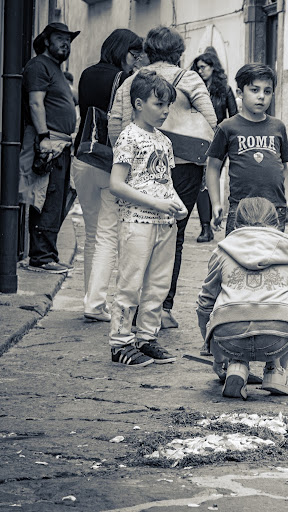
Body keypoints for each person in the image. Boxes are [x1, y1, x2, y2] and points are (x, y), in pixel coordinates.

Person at [109, 26, 217, 329]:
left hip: (138, 168)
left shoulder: (133, 80)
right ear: (178, 52)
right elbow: (211, 123)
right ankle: (162, 309)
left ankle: (137, 313)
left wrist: (125, 158)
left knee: (136, 240)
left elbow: (115, 121)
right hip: (184, 166)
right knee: (174, 236)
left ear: (148, 51)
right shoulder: (190, 78)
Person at [196, 197, 288, 400]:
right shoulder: (287, 252)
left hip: (229, 337)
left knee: (223, 303)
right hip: (278, 337)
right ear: (276, 222)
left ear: (236, 223)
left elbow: (205, 303)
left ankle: (236, 366)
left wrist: (215, 353)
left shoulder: (222, 252)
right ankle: (275, 370)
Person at [108, 70, 187, 367]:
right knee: (130, 283)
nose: (165, 110)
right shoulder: (128, 136)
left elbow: (165, 181)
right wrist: (155, 202)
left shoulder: (165, 142)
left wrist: (178, 205)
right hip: (136, 222)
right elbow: (117, 184)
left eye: (168, 105)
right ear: (139, 104)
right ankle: (120, 342)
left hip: (165, 224)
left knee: (158, 284)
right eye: (159, 104)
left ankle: (147, 337)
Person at [74, 29, 145, 322]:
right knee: (106, 236)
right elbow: (124, 122)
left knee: (92, 234)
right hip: (109, 161)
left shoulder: (86, 73)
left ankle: (92, 299)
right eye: (132, 54)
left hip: (83, 157)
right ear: (121, 51)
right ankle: (95, 304)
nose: (134, 60)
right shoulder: (123, 80)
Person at [19, 22, 81, 274]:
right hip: (48, 142)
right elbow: (36, 104)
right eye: (59, 38)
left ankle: (48, 254)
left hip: (60, 144)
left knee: (57, 199)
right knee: (46, 199)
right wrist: (44, 137)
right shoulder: (38, 66)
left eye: (68, 40)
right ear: (46, 40)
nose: (65, 43)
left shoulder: (54, 68)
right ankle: (41, 257)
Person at [205, 63, 288, 235]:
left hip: (275, 209)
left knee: (272, 256)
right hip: (241, 209)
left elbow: (284, 168)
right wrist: (216, 204)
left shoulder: (278, 127)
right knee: (239, 257)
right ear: (240, 93)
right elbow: (213, 168)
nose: (261, 96)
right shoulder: (227, 127)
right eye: (254, 90)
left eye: (267, 91)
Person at [190, 51, 238, 243]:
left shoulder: (224, 89)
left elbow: (233, 115)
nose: (200, 71)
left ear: (213, 67)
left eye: (204, 67)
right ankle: (205, 227)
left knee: (209, 178)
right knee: (201, 182)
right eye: (198, 67)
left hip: (218, 141)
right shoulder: (193, 89)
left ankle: (209, 223)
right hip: (197, 138)